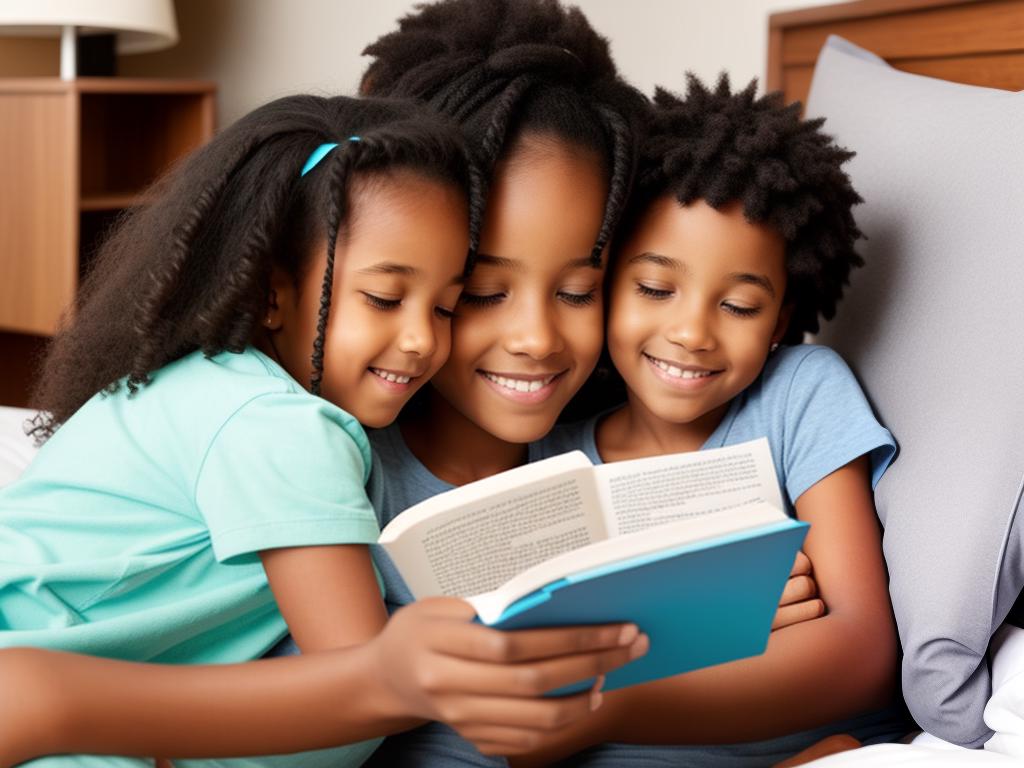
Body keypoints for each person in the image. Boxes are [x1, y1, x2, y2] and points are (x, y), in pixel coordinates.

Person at [0, 93, 647, 768]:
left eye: (449, 304)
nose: (422, 339)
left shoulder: (211, 382)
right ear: (274, 293)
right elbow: (359, 698)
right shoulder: (280, 425)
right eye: (384, 299)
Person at [511, 75, 912, 766]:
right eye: (657, 288)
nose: (692, 331)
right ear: (603, 285)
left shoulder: (798, 396)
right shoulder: (548, 447)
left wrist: (613, 702)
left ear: (782, 320)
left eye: (740, 306)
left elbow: (864, 651)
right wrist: (697, 627)